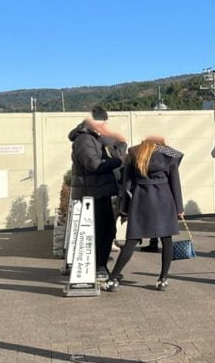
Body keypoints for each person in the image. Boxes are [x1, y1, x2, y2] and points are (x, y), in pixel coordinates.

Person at [105, 136, 184, 292]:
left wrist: (125, 208)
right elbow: (175, 182)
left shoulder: (134, 152)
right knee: (167, 240)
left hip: (140, 198)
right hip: (164, 198)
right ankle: (163, 279)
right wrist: (179, 208)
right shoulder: (170, 155)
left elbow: (127, 182)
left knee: (131, 241)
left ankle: (112, 279)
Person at [68, 117, 125, 280]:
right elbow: (94, 165)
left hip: (100, 191)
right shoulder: (84, 140)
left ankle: (101, 267)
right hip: (92, 193)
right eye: (103, 122)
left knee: (107, 231)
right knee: (101, 232)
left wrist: (119, 143)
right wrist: (119, 161)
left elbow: (116, 150)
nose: (106, 126)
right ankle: (98, 268)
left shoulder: (96, 138)